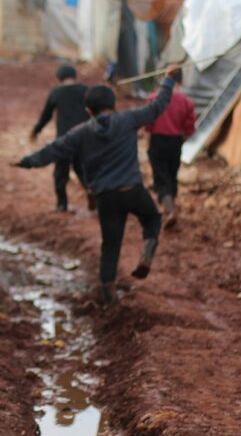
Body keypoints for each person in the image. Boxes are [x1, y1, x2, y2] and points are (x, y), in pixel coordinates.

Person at [13, 67, 183, 306]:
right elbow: (156, 108)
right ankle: (146, 253)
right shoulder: (128, 119)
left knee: (110, 246)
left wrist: (26, 162)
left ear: (88, 111)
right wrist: (168, 81)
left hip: (105, 197)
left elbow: (54, 150)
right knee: (152, 218)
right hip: (132, 190)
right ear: (113, 106)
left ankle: (108, 295)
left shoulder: (80, 133)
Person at [31, 65, 90, 212]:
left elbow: (47, 115)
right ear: (75, 75)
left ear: (59, 77)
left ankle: (61, 204)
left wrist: (36, 130)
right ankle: (91, 192)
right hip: (83, 137)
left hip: (64, 139)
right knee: (82, 169)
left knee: (60, 173)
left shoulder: (56, 92)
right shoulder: (85, 90)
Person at [145, 87, 196, 228]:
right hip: (176, 141)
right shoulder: (186, 101)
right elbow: (190, 125)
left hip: (158, 140)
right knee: (172, 174)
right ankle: (170, 205)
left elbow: (148, 122)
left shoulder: (154, 98)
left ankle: (170, 211)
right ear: (181, 81)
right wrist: (182, 138)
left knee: (161, 176)